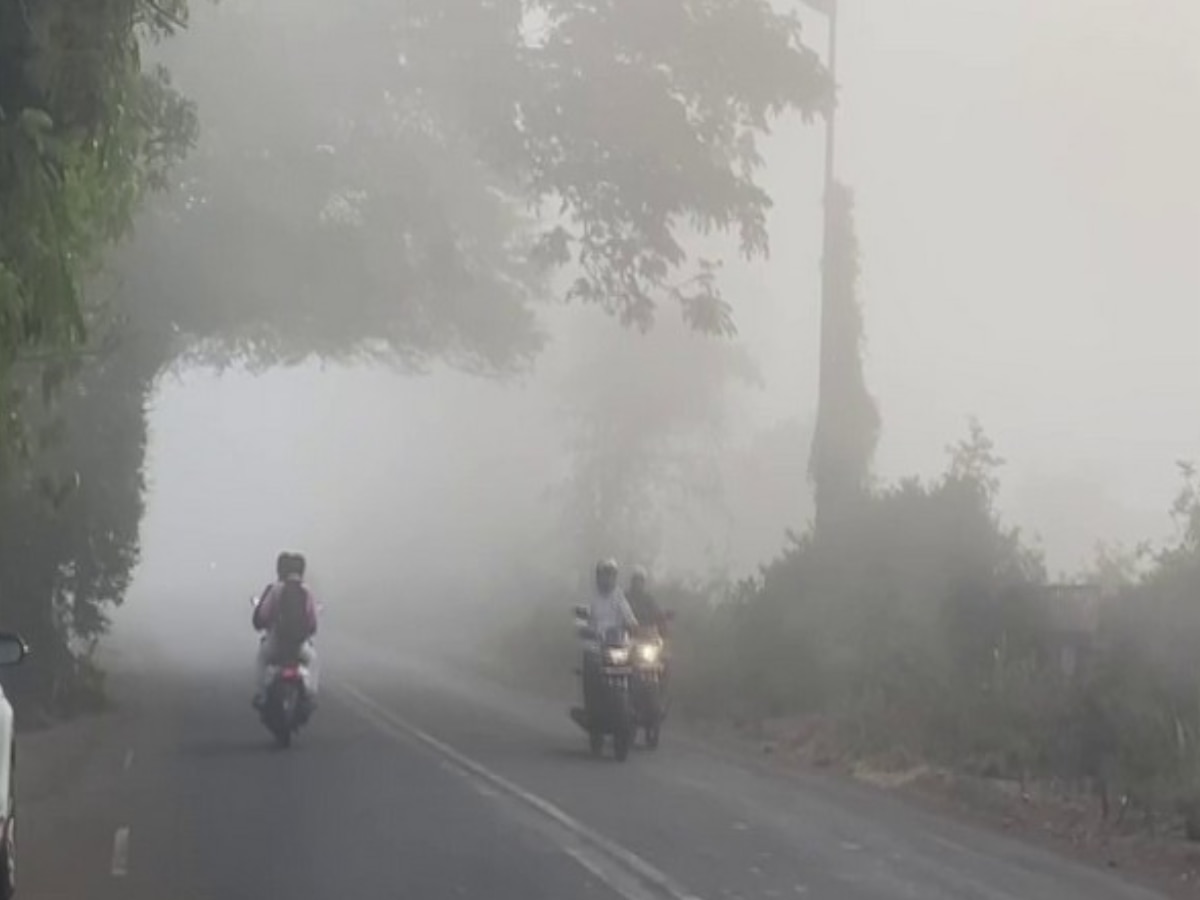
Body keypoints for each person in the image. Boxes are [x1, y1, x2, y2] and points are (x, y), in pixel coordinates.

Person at [252, 551, 319, 710]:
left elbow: (262, 615)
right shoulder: (307, 591)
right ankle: (310, 695)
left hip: (276, 644)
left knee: (261, 660)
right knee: (313, 661)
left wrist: (263, 625)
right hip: (298, 646)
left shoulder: (275, 589)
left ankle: (261, 695)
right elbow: (312, 622)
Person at [577, 558, 639, 723]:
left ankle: (631, 705)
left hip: (617, 645)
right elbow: (581, 618)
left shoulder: (618, 595)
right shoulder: (590, 595)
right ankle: (590, 710)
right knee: (590, 671)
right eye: (605, 575)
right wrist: (585, 629)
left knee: (635, 668)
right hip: (594, 646)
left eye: (611, 575)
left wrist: (634, 626)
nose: (608, 579)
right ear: (598, 576)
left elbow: (628, 615)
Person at [627, 566, 667, 637]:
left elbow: (657, 611)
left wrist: (662, 617)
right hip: (627, 634)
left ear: (643, 582)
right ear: (632, 581)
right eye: (636, 580)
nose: (638, 583)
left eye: (640, 580)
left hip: (646, 634)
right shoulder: (625, 597)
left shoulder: (648, 598)